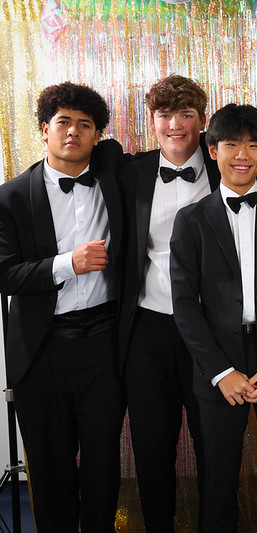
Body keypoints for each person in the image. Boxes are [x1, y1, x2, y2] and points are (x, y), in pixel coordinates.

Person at [169, 103, 257, 533]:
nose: (242, 155)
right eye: (231, 144)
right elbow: (185, 304)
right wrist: (220, 371)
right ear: (213, 150)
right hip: (219, 362)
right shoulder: (191, 220)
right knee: (217, 481)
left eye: (253, 145)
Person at [0, 82, 127, 532]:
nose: (73, 131)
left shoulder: (114, 173)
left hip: (104, 344)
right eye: (63, 122)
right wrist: (67, 264)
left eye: (85, 124)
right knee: (49, 465)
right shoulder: (11, 196)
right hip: (42, 349)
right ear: (44, 129)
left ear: (97, 135)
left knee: (102, 460)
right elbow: (4, 274)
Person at [118, 74, 219, 532]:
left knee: (214, 442)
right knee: (152, 446)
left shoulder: (229, 166)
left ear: (203, 119)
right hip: (148, 329)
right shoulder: (131, 172)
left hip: (212, 332)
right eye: (164, 115)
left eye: (186, 114)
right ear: (152, 120)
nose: (175, 125)